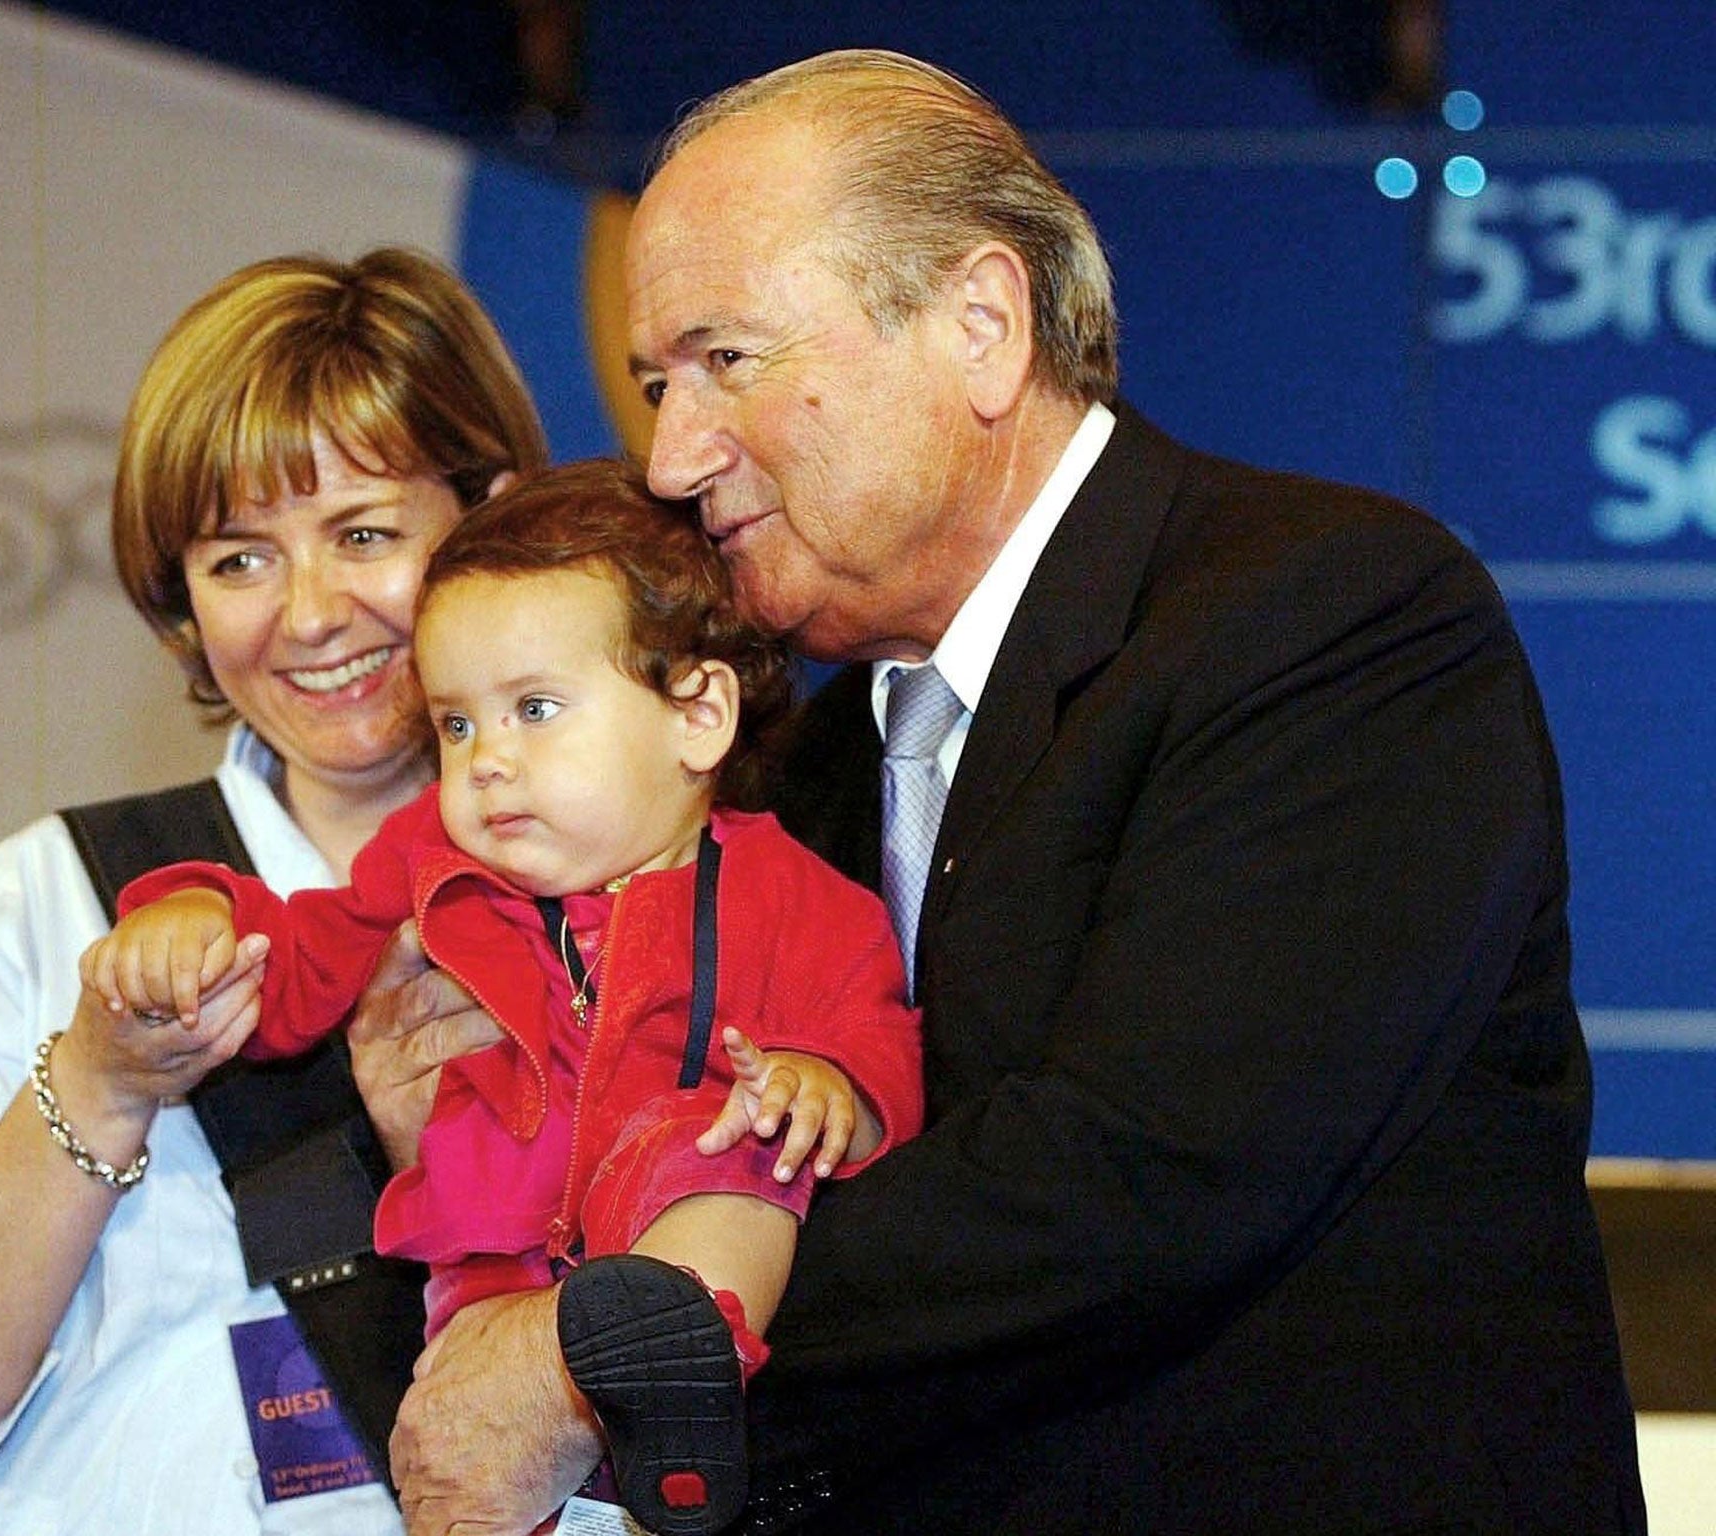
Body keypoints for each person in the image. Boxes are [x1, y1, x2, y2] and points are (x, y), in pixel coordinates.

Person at [369, 49, 1648, 1536]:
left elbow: (1142, 1180)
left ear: (979, 326)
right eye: (659, 384)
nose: (672, 456)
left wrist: (617, 1349)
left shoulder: (1334, 619)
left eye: (727, 359)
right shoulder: (811, 768)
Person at [0, 247, 547, 1536]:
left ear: (488, 513)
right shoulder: (55, 894)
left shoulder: (630, 870)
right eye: (238, 560)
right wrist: (97, 1082)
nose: (310, 615)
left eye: (364, 534)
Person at [82, 458, 925, 1536]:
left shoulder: (790, 893)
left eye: (532, 709)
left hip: (691, 1251)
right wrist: (196, 914)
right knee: (467, 1469)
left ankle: (673, 1375)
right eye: (456, 726)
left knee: (722, 1138)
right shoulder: (429, 863)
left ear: (696, 714)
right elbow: (297, 959)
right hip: (495, 1274)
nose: (484, 763)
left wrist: (831, 1088)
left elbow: (879, 1037)